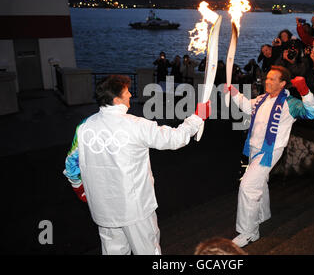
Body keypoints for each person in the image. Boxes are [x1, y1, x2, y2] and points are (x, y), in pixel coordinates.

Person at [63, 75, 211, 255]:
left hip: (103, 210)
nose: (130, 95)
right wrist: (197, 118)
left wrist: (81, 191)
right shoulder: (135, 125)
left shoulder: (84, 127)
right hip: (135, 209)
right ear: (116, 99)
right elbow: (174, 139)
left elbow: (71, 166)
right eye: (126, 93)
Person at [224, 66, 314, 248]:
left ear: (282, 83)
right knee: (260, 182)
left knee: (247, 186)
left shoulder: (289, 103)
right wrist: (234, 92)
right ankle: (263, 214)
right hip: (253, 146)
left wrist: (305, 92)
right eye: (267, 78)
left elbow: (312, 113)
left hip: (269, 151)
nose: (267, 81)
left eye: (272, 79)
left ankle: (249, 232)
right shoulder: (262, 99)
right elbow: (246, 106)